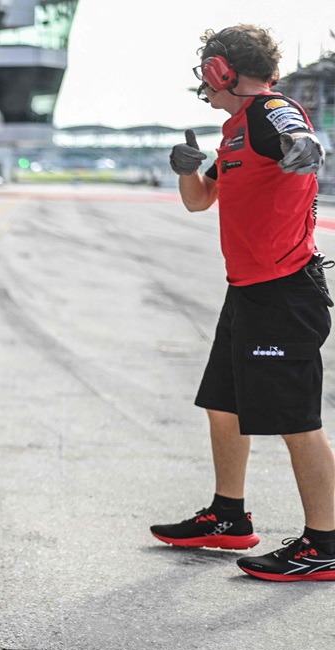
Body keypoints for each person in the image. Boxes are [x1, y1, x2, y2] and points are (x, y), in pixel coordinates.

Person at [151, 25, 334, 581]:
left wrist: (307, 149)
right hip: (248, 291)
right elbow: (199, 201)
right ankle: (228, 516)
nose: (203, 84)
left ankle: (325, 544)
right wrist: (188, 170)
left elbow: (300, 139)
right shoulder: (234, 132)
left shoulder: (268, 112)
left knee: (297, 421)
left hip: (283, 292)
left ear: (222, 71)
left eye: (206, 71)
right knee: (223, 404)